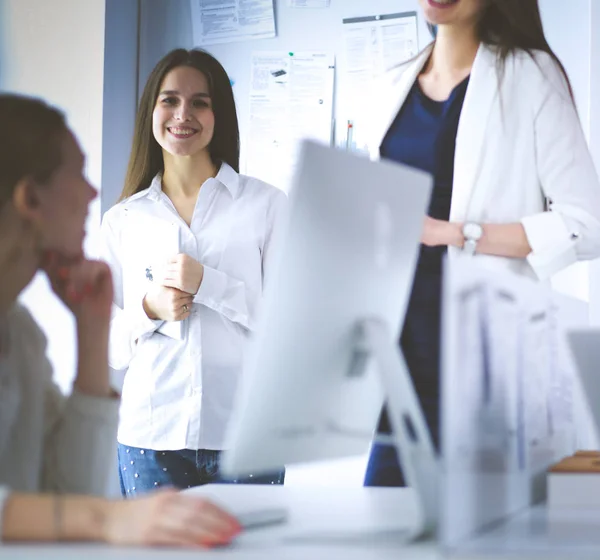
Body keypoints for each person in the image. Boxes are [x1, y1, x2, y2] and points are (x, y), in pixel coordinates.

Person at [363, 0, 600, 486]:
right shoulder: (391, 83)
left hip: (487, 356)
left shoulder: (530, 76)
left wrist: (457, 233)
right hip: (396, 360)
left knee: (485, 537)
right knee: (385, 528)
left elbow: (586, 223)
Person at [0, 94, 242, 547]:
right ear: (31, 197)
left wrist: (92, 333)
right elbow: (81, 510)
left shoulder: (21, 335)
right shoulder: (126, 218)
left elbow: (69, 490)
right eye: (77, 174)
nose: (93, 193)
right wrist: (106, 520)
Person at [101, 48, 287, 497]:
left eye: (200, 102)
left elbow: (288, 329)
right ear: (152, 110)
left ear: (218, 113)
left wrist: (209, 284)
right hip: (151, 437)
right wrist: (149, 307)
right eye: (169, 100)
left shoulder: (265, 206)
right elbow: (109, 347)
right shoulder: (123, 220)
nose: (183, 113)